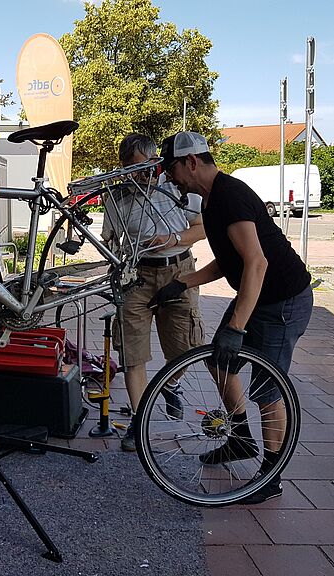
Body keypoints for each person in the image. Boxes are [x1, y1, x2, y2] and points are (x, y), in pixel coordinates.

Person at [150, 131, 313, 504]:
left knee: (268, 391)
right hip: (257, 296)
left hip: (283, 301)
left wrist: (236, 327)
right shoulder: (210, 200)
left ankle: (270, 477)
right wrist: (182, 283)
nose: (170, 177)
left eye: (172, 168)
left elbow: (256, 263)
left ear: (191, 162)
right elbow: (230, 260)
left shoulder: (231, 196)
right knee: (220, 363)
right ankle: (240, 439)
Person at [102, 133, 206, 452]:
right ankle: (139, 419)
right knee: (132, 352)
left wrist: (173, 239)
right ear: (123, 168)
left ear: (156, 162)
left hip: (179, 270)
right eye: (132, 169)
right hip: (136, 275)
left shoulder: (177, 187)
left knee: (185, 347)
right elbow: (110, 240)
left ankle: (170, 383)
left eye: (146, 167)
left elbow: (203, 227)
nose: (141, 175)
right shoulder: (115, 198)